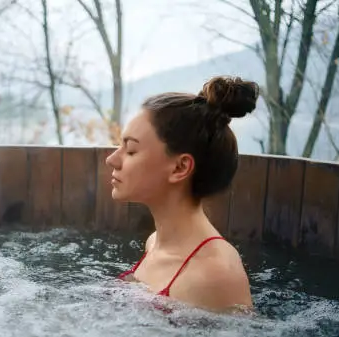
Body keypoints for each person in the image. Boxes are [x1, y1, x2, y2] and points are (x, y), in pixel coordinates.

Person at [106, 75, 258, 314]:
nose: (112, 159)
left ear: (180, 168)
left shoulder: (217, 275)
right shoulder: (154, 242)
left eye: (131, 150)